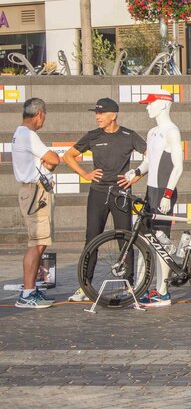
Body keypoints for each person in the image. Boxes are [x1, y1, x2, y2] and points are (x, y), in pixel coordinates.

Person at [63, 98, 147, 302]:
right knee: (91, 238)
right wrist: (85, 174)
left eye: (101, 113)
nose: (97, 117)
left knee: (125, 239)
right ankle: (85, 287)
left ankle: (129, 284)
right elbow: (68, 156)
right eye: (96, 113)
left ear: (113, 115)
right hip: (98, 193)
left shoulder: (129, 135)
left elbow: (150, 155)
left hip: (121, 194)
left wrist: (137, 175)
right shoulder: (93, 135)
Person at [123, 93, 184, 307]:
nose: (147, 107)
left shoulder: (172, 131)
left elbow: (179, 166)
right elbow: (149, 160)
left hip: (163, 192)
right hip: (151, 190)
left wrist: (168, 193)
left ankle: (163, 291)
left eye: (150, 103)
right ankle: (143, 287)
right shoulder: (152, 132)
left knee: (161, 240)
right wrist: (136, 171)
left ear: (163, 104)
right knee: (147, 239)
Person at [12, 98, 60, 309]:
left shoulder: (20, 133)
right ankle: (28, 293)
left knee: (39, 243)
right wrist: (46, 161)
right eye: (45, 116)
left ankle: (30, 290)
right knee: (36, 244)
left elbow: (48, 162)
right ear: (39, 114)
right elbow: (54, 159)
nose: (44, 120)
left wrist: (44, 162)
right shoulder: (28, 135)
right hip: (35, 194)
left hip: (33, 191)